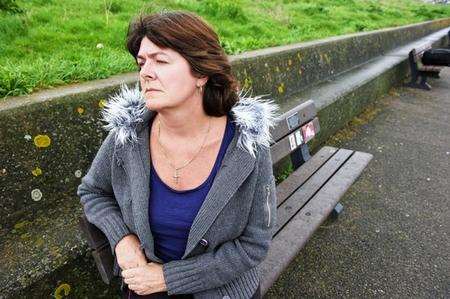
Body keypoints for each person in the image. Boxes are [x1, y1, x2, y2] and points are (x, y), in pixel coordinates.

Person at [77, 10, 279, 299]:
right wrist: (122, 238)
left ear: (202, 73)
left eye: (160, 60)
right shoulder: (129, 135)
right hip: (143, 290)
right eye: (142, 62)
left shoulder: (246, 148)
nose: (145, 72)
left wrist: (168, 278)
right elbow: (93, 191)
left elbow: (253, 244)